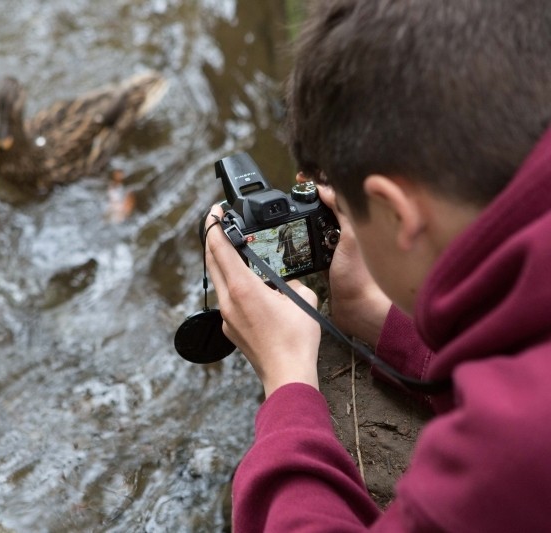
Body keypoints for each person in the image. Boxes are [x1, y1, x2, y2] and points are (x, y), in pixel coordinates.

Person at [204, 0, 551, 530]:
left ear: (396, 211)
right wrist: (379, 319)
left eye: (352, 216)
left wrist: (288, 380)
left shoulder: (509, 450)